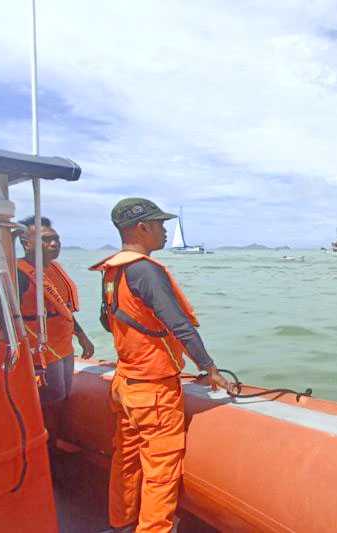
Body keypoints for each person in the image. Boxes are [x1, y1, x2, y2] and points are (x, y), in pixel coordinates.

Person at [90, 198, 232, 533]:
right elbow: (179, 325)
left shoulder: (113, 270)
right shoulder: (145, 271)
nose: (165, 231)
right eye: (160, 225)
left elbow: (106, 321)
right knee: (160, 470)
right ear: (143, 228)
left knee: (125, 459)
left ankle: (121, 522)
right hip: (154, 390)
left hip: (125, 384)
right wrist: (210, 368)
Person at [16, 215, 94, 451]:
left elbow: (64, 309)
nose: (54, 244)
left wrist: (81, 335)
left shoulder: (56, 270)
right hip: (41, 349)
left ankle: (55, 443)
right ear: (26, 243)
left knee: (63, 396)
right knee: (53, 398)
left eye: (56, 239)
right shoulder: (19, 274)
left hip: (63, 345)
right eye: (46, 240)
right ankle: (45, 449)